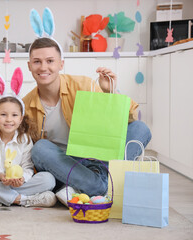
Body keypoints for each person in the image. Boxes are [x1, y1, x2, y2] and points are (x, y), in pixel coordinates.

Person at [23, 37, 152, 207]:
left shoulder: (84, 84)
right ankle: (104, 186)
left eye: (50, 61)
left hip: (97, 156)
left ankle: (88, 185)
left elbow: (128, 118)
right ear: (29, 66)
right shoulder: (25, 105)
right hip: (64, 164)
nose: (43, 67)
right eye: (37, 62)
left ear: (61, 64)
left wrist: (110, 93)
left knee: (140, 128)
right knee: (39, 149)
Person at [0, 68, 56, 207]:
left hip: (19, 184)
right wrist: (1, 176)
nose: (8, 120)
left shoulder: (25, 139)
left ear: (20, 119)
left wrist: (22, 178)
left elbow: (28, 167)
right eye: (3, 115)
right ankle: (23, 200)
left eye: (14, 115)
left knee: (48, 179)